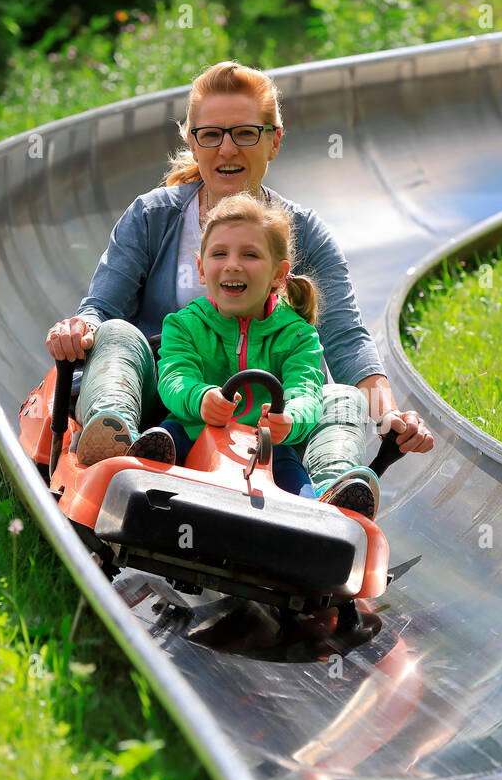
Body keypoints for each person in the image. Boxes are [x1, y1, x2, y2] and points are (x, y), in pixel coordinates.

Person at [45, 60, 433, 520]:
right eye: (211, 134)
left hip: (271, 425)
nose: (227, 148)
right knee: (116, 333)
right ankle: (115, 437)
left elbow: (346, 337)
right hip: (166, 412)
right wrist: (81, 327)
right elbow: (101, 307)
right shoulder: (153, 217)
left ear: (274, 140)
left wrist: (389, 416)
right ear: (193, 141)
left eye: (245, 133)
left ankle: (331, 496)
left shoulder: (303, 232)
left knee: (340, 397)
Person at [128, 192, 326, 501]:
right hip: (192, 432)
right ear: (202, 270)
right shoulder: (183, 325)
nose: (232, 265)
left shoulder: (298, 336)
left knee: (294, 480)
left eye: (250, 255)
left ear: (278, 274)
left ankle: (315, 512)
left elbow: (307, 391)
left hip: (265, 448)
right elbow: (174, 377)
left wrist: (289, 419)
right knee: (166, 438)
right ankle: (144, 478)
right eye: (219, 254)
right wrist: (201, 397)